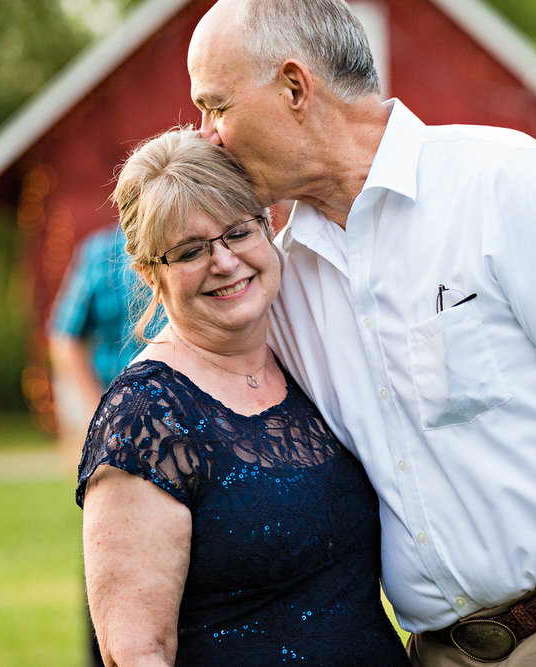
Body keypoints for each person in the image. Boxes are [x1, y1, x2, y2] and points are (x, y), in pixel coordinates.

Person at [187, 1, 536, 665]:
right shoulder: (283, 278)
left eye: (215, 105)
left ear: (295, 87)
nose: (205, 134)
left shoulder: (504, 185)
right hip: (440, 653)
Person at [75, 129, 409, 666]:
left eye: (237, 232)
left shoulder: (305, 356)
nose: (225, 262)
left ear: (268, 227)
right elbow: (137, 652)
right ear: (149, 274)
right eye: (188, 251)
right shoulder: (145, 415)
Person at [48, 223, 149, 666]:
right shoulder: (99, 252)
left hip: (192, 433)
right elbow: (63, 334)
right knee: (108, 570)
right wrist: (99, 416)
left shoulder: (199, 239)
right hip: (116, 441)